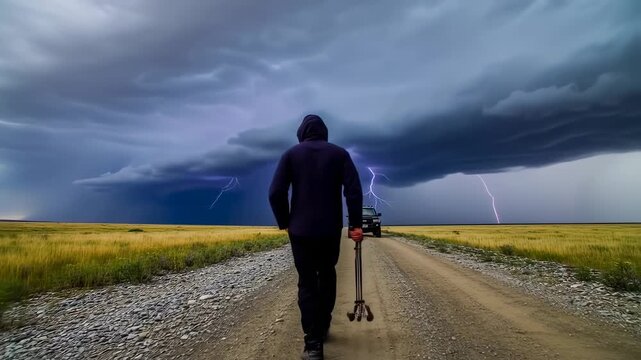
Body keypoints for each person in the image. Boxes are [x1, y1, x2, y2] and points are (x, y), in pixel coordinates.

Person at [269, 114, 363, 360]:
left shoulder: (290, 154)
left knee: (307, 282)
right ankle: (323, 324)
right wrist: (354, 225)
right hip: (330, 230)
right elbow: (353, 192)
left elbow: (275, 192)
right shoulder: (340, 154)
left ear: (301, 132)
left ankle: (313, 345)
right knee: (328, 274)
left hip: (300, 231)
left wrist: (284, 222)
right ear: (324, 132)